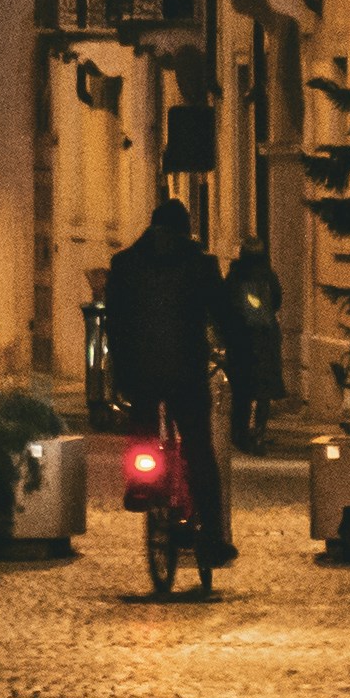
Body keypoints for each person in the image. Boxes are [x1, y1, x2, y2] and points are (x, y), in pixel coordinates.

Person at [108, 195, 231, 579]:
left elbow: (115, 321)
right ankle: (212, 534)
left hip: (138, 372)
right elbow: (222, 314)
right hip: (187, 373)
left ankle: (140, 483)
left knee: (143, 424)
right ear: (186, 230)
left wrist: (121, 370)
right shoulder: (200, 265)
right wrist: (228, 355)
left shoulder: (124, 264)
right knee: (198, 449)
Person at [223, 236, 287, 448]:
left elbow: (227, 303)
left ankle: (239, 433)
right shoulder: (268, 275)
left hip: (242, 338)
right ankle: (259, 431)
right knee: (264, 391)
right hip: (265, 336)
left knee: (242, 390)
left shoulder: (235, 275)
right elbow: (277, 299)